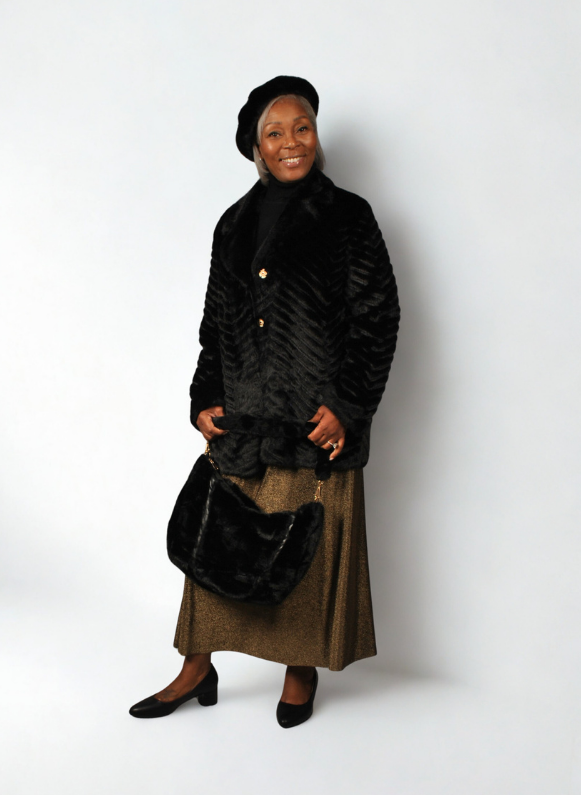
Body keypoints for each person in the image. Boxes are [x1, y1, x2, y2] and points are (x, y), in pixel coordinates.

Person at [129, 75, 400, 728]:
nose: (291, 141)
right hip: (243, 422)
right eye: (275, 132)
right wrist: (204, 397)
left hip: (313, 424)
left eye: (302, 127)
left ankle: (300, 669)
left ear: (316, 135)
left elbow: (378, 317)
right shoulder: (233, 223)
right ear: (256, 147)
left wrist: (348, 404)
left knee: (305, 549)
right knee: (215, 546)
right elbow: (214, 326)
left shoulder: (348, 217)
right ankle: (197, 667)